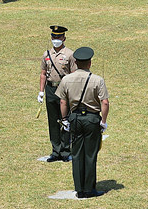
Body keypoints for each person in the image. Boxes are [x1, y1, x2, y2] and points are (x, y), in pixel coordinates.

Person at [58, 46, 109, 199]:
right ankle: (89, 188)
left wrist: (65, 119)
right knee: (90, 154)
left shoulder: (66, 79)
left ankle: (79, 188)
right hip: (92, 118)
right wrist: (104, 122)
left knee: (77, 153)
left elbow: (62, 102)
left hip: (75, 118)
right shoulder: (97, 80)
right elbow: (104, 103)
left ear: (76, 63)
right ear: (89, 63)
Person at [39, 25, 77, 162]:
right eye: (54, 37)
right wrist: (41, 91)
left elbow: (74, 74)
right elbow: (43, 74)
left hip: (64, 89)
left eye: (58, 37)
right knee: (53, 121)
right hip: (50, 89)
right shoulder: (46, 54)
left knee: (65, 120)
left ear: (64, 38)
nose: (56, 39)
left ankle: (66, 150)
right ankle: (56, 150)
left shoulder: (69, 54)